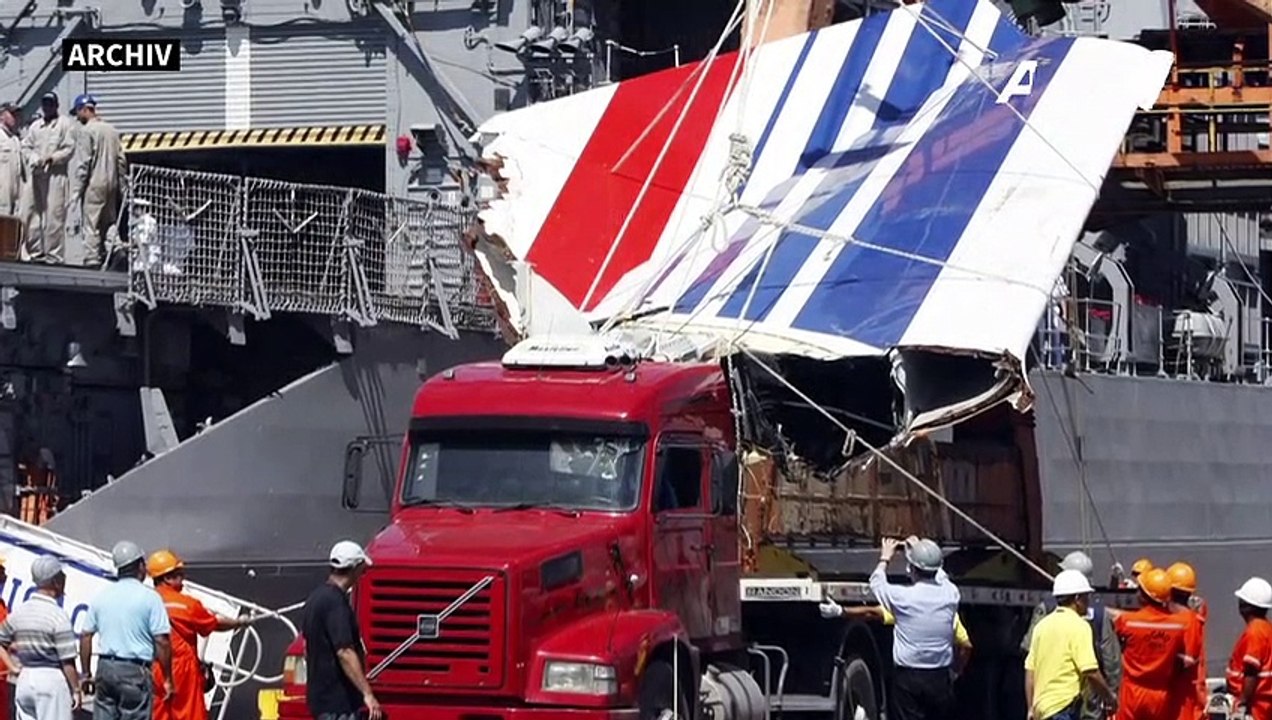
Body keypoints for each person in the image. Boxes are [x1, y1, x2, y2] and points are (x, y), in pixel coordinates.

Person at [146, 550, 259, 720]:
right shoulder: (187, 605)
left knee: (158, 714)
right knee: (190, 713)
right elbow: (213, 624)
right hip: (182, 669)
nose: (183, 578)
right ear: (167, 577)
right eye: (179, 574)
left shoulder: (144, 603)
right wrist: (239, 622)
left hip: (151, 667)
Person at [857, 536, 959, 720]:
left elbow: (876, 583)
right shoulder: (951, 594)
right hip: (940, 677)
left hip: (909, 677)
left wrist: (885, 558)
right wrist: (922, 550)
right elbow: (942, 577)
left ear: (910, 569)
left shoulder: (903, 597)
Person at [79, 541, 173, 720]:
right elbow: (162, 640)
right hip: (135, 671)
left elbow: (85, 636)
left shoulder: (102, 596)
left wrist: (85, 674)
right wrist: (168, 678)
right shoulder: (150, 598)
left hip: (105, 669)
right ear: (140, 566)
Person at [1021, 551, 1121, 720]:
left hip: (1044, 710)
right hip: (1070, 708)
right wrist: (1110, 695)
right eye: (1086, 596)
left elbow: (1030, 669)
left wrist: (1031, 707)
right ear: (1077, 598)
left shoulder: (1042, 624)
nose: (1088, 600)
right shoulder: (1083, 623)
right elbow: (1101, 665)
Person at [301, 540, 381, 720]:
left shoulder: (315, 598)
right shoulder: (335, 603)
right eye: (362, 568)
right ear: (355, 568)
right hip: (338, 705)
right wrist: (367, 694)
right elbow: (344, 651)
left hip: (320, 700)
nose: (363, 573)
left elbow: (306, 647)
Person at [1109, 567, 1196, 720]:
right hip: (1160, 694)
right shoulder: (1178, 626)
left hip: (1132, 691)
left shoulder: (1128, 622)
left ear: (1144, 596)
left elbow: (1115, 622)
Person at [0, 556, 81, 720]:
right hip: (51, 680)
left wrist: (13, 667)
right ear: (56, 581)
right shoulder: (58, 616)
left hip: (25, 678)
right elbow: (67, 661)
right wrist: (76, 689)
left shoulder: (20, 611)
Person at [819, 600, 973, 677]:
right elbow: (966, 646)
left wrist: (842, 611)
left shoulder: (908, 607)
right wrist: (956, 672)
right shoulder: (949, 614)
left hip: (910, 675)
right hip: (938, 678)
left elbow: (873, 613)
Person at [20, 93, 75, 264]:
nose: (47, 107)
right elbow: (25, 146)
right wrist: (33, 157)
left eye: (50, 104)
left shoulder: (65, 124)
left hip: (55, 175)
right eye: (44, 104)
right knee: (31, 213)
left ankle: (54, 255)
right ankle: (36, 251)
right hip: (36, 174)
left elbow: (69, 148)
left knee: (54, 215)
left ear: (56, 105)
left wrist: (53, 158)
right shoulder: (36, 126)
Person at [70, 94, 124, 268]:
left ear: (85, 109)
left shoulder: (87, 131)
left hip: (94, 183)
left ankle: (92, 259)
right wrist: (122, 185)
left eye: (78, 112)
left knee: (91, 223)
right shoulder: (112, 131)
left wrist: (76, 191)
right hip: (111, 182)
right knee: (110, 220)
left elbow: (83, 163)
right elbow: (121, 160)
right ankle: (116, 248)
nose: (77, 117)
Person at [1226, 577, 1272, 720]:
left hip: (1255, 707)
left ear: (1246, 606)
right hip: (1264, 706)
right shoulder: (1266, 628)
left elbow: (1251, 671)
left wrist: (1242, 703)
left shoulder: (1255, 632)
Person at [1166, 562, 1207, 720]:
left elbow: (1182, 665)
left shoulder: (1186, 622)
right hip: (1187, 698)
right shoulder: (1193, 619)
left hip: (1181, 700)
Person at [0, 103, 24, 218]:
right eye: (12, 114)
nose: (15, 118)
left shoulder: (15, 139)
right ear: (1, 116)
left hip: (15, 194)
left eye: (17, 115)